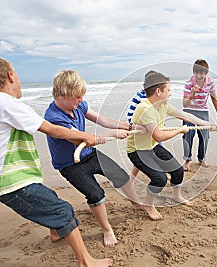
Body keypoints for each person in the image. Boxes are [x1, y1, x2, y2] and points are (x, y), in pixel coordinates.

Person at [0, 56, 112, 266]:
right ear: (11, 76)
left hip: (10, 178)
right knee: (63, 210)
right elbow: (52, 129)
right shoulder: (7, 104)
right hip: (7, 182)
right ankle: (86, 262)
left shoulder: (0, 105)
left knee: (50, 196)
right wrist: (87, 137)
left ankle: (56, 233)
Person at [45, 70, 148, 246]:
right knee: (96, 195)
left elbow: (102, 119)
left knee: (121, 176)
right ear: (62, 94)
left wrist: (128, 125)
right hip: (71, 164)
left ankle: (136, 203)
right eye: (77, 97)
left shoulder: (78, 105)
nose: (81, 101)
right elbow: (81, 139)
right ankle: (107, 229)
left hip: (89, 154)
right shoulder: (53, 118)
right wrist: (112, 134)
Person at [126, 71, 217, 220]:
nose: (170, 93)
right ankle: (149, 205)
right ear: (158, 91)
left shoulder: (162, 105)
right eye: (168, 90)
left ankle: (176, 196)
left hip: (152, 147)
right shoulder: (145, 108)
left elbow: (185, 115)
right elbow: (159, 136)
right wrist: (180, 129)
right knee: (159, 179)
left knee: (177, 171)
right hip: (138, 151)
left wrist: (206, 124)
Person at [182, 59, 217, 171]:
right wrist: (192, 93)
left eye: (201, 73)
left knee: (205, 136)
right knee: (188, 135)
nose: (199, 76)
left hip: (203, 112)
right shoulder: (188, 83)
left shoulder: (210, 83)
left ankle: (202, 159)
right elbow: (184, 104)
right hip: (189, 111)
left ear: (206, 73)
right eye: (196, 73)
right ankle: (187, 160)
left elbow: (214, 98)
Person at [126, 70, 156, 181]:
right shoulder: (139, 97)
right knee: (141, 158)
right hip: (141, 133)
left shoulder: (157, 98)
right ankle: (131, 179)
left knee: (157, 152)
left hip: (154, 132)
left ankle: (159, 174)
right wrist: (136, 127)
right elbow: (130, 115)